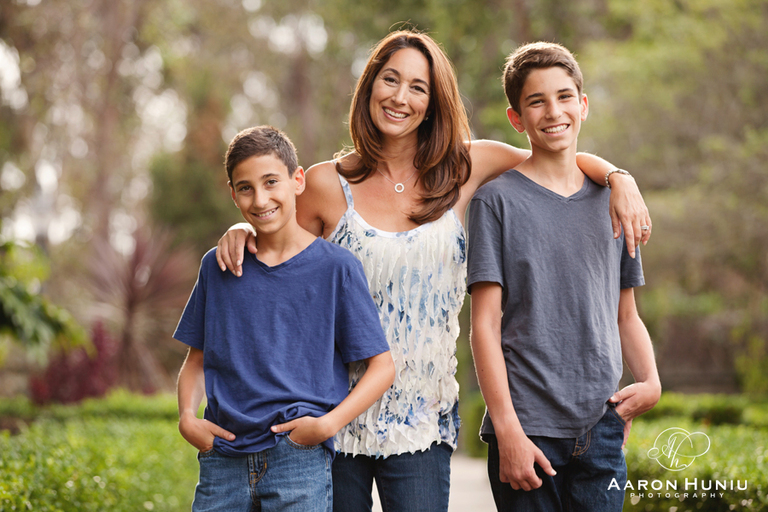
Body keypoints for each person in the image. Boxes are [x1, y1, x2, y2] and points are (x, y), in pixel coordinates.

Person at [216, 30, 652, 512]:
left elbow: (553, 157)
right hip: (331, 418)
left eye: (418, 87)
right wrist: (241, 228)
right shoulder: (324, 183)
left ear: (433, 101)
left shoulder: (467, 167)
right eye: (390, 80)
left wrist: (619, 178)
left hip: (423, 422)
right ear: (369, 88)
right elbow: (274, 251)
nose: (400, 97)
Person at [467, 42, 661, 511]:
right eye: (536, 101)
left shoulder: (612, 200)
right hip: (527, 430)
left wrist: (651, 380)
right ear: (517, 118)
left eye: (564, 96)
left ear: (583, 104)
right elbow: (484, 327)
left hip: (601, 427)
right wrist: (507, 431)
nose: (553, 111)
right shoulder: (496, 202)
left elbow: (626, 315)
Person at [175, 125, 395, 512]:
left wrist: (327, 425)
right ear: (233, 194)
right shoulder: (219, 265)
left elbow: (382, 366)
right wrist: (186, 419)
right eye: (245, 188)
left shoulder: (336, 268)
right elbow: (197, 360)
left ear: (297, 181)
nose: (260, 199)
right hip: (222, 457)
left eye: (271, 182)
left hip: (298, 458)